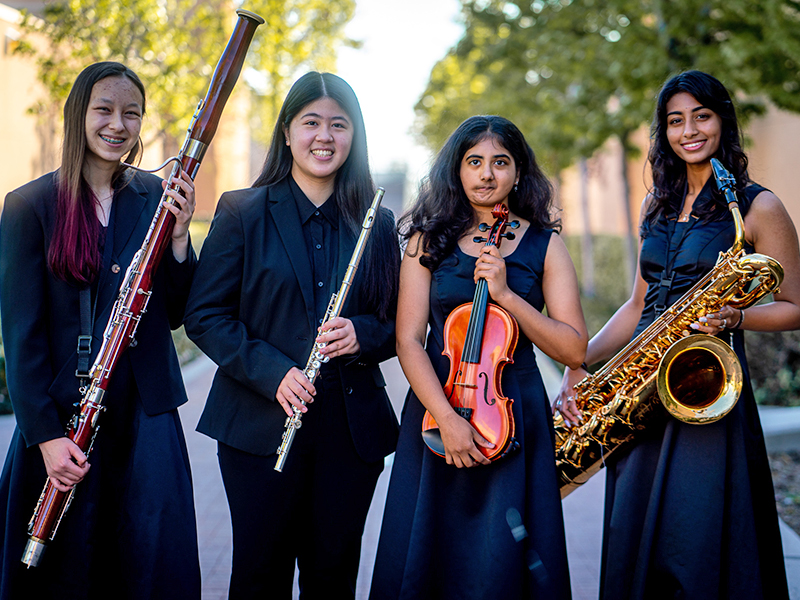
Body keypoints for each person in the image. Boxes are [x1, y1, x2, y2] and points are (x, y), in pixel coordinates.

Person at [555, 70, 800, 599]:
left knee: (696, 536)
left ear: (724, 121)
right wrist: (579, 360)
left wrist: (737, 318)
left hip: (703, 384)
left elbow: (795, 307)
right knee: (636, 529)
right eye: (674, 120)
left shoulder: (759, 207)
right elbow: (640, 304)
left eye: (702, 116)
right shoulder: (657, 205)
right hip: (639, 387)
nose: (688, 130)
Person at [183, 71, 400, 599]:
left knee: (334, 578)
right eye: (311, 123)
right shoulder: (242, 211)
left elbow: (400, 325)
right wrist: (273, 371)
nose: (324, 136)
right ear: (286, 132)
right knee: (260, 576)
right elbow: (205, 315)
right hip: (258, 427)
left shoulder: (378, 221)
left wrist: (363, 334)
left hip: (350, 434)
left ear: (354, 136)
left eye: (339, 125)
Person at [0, 62, 201, 598]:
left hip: (146, 417)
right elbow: (22, 338)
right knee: (66, 572)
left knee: (147, 566)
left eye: (131, 113)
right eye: (104, 110)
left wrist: (180, 238)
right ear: (78, 115)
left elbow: (179, 312)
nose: (118, 124)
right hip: (63, 425)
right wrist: (44, 436)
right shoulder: (30, 206)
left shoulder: (158, 196)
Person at [369, 115, 586, 599]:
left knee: (504, 560)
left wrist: (507, 296)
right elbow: (408, 340)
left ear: (518, 172)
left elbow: (573, 347)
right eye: (475, 162)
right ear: (457, 170)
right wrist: (445, 418)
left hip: (516, 418)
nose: (487, 174)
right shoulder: (427, 240)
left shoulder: (544, 245)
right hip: (438, 407)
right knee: (430, 552)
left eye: (500, 162)